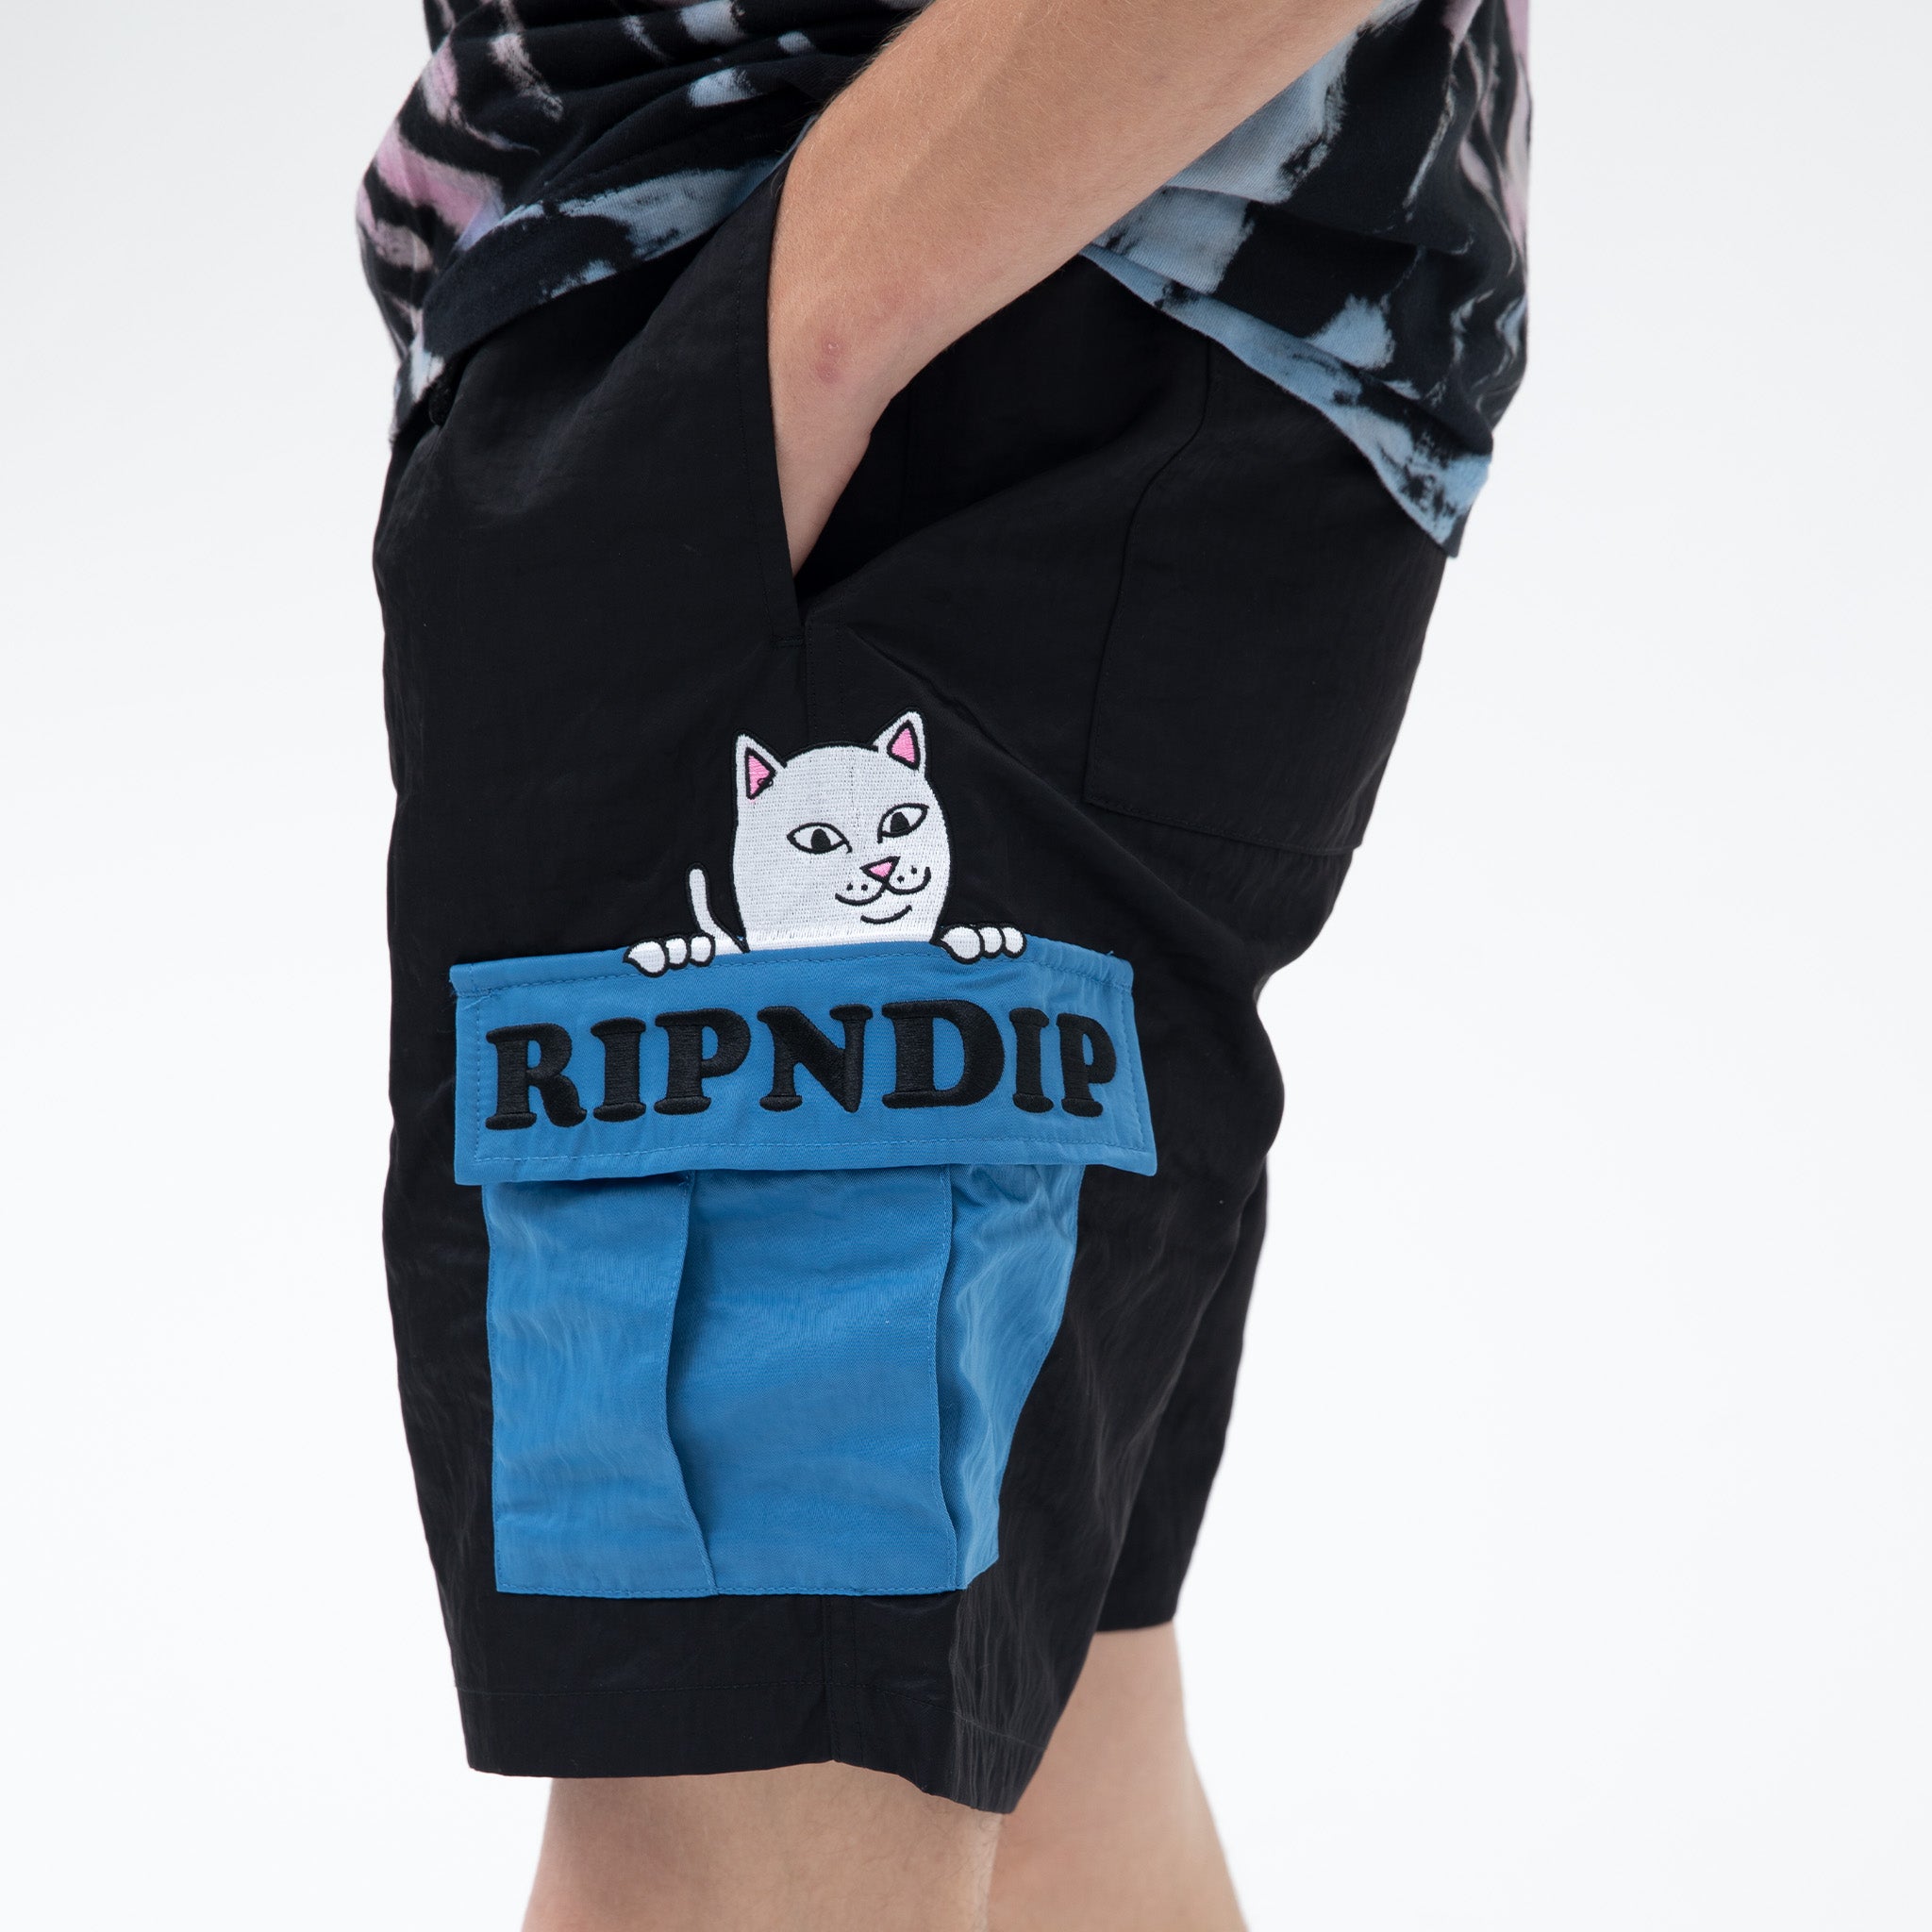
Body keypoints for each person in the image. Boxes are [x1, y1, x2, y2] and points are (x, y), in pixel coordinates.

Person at [360, 0, 1527, 1924]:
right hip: (1098, 319)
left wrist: (789, 342)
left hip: (919, 328)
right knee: (1050, 1747)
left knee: (740, 1807)